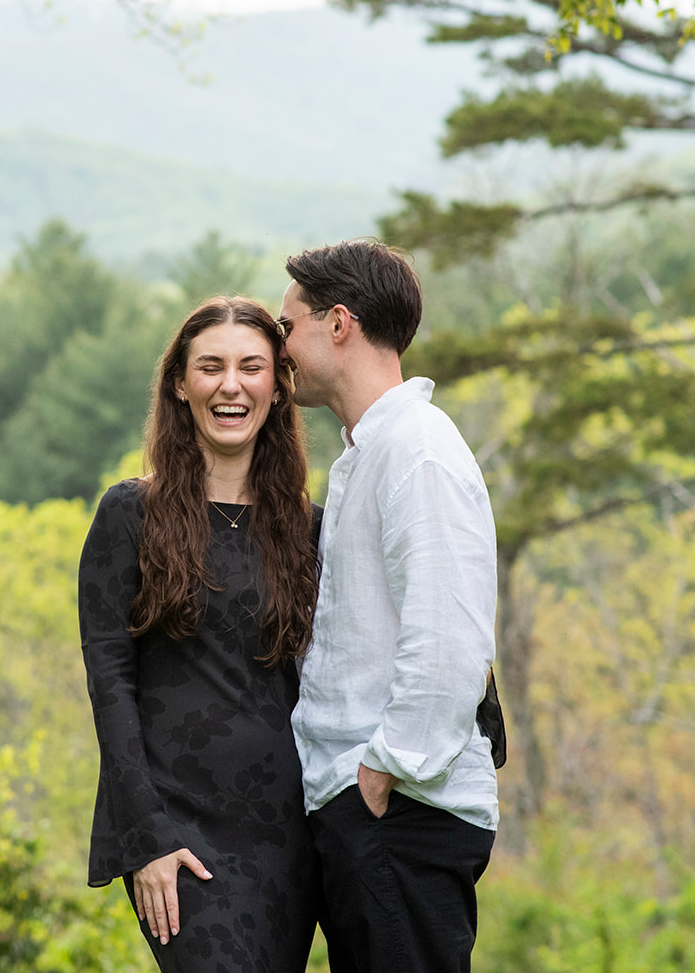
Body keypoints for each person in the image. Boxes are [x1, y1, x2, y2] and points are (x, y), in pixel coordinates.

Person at [78, 296, 323, 972]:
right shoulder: (130, 514)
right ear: (180, 386)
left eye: (251, 367)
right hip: (177, 830)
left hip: (288, 833)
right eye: (210, 367)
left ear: (277, 387)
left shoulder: (312, 529)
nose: (230, 384)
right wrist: (146, 836)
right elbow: (110, 680)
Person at [280, 240, 499, 973]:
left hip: (399, 811)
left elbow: (448, 642)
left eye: (289, 327)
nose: (282, 347)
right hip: (373, 810)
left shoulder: (418, 448)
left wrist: (382, 772)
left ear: (337, 323)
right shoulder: (368, 453)